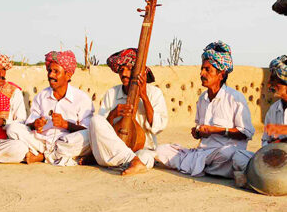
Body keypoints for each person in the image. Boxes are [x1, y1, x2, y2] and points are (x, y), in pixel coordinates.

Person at [155, 41, 255, 180]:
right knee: (161, 150)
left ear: (221, 74)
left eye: (208, 70)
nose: (202, 73)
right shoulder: (203, 98)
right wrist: (197, 132)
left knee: (229, 154)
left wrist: (216, 130)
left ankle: (200, 167)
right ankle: (206, 168)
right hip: (202, 153)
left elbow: (246, 133)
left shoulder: (235, 98)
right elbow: (200, 131)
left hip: (223, 153)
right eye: (202, 69)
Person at [4, 50, 94, 166]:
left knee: (87, 137)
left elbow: (87, 130)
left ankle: (43, 157)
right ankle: (57, 157)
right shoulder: (41, 96)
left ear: (68, 75)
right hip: (41, 141)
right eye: (50, 71)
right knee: (13, 128)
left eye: (56, 72)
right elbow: (29, 125)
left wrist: (66, 124)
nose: (51, 75)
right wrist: (35, 124)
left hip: (65, 143)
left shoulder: (81, 98)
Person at [89, 48, 168, 175]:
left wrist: (144, 97)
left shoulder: (154, 93)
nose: (124, 74)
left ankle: (129, 161)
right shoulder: (112, 93)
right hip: (114, 148)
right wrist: (113, 114)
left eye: (129, 69)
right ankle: (130, 161)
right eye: (121, 70)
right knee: (95, 120)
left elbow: (158, 128)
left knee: (146, 157)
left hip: (143, 148)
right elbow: (101, 129)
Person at [0, 50, 27, 163]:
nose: (1, 74)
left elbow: (21, 121)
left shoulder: (14, 92)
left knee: (20, 148)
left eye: (3, 69)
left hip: (3, 142)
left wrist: (3, 122)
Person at [262, 55, 287, 144]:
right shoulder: (273, 109)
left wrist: (282, 132)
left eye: (274, 80)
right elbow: (265, 140)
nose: (269, 85)